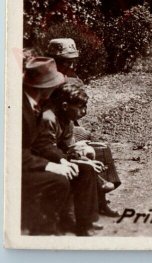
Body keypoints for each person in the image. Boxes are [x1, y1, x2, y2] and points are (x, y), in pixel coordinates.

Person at [46, 38, 121, 217]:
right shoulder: (45, 80)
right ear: (53, 60)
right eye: (65, 61)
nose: (70, 64)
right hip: (52, 127)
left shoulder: (73, 78)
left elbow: (80, 110)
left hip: (69, 125)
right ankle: (98, 186)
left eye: (72, 60)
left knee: (99, 145)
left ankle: (101, 199)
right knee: (84, 148)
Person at [34, 81, 102, 236]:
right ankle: (71, 222)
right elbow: (45, 148)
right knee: (82, 171)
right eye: (80, 107)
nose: (83, 112)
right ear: (65, 106)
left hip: (58, 158)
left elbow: (66, 147)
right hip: (42, 162)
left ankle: (85, 222)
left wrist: (84, 159)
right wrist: (70, 161)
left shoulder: (67, 120)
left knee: (88, 168)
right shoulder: (48, 118)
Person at [22, 57, 73, 235]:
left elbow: (42, 142)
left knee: (67, 172)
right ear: (45, 87)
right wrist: (49, 165)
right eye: (54, 84)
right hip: (13, 170)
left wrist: (61, 160)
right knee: (58, 181)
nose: (56, 88)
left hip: (28, 161)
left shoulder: (34, 104)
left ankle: (53, 224)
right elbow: (14, 153)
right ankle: (43, 231)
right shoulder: (20, 109)